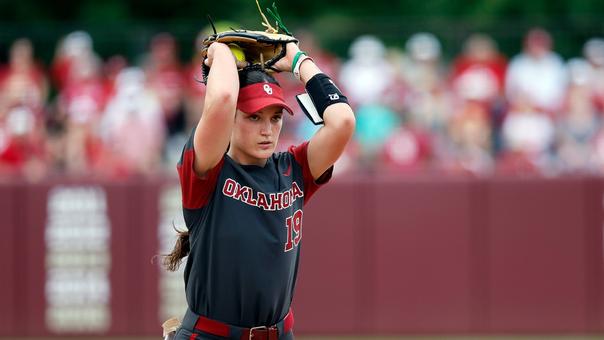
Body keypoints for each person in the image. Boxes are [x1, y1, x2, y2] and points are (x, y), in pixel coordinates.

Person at [163, 39, 356, 340]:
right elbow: (224, 97)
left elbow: (342, 121)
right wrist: (220, 50)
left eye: (275, 117)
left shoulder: (294, 169)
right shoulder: (209, 172)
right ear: (232, 119)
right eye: (254, 117)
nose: (267, 130)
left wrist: (296, 59)